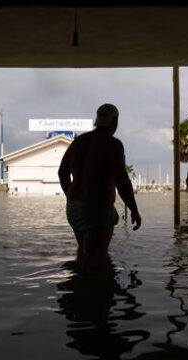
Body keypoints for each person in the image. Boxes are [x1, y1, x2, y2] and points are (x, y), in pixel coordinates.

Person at [58, 103, 141, 265]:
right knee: (97, 260)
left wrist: (71, 195)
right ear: (115, 122)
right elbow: (122, 181)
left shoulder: (78, 142)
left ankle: (79, 287)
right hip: (98, 208)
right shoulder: (113, 144)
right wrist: (134, 210)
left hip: (75, 208)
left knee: (85, 254)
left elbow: (62, 172)